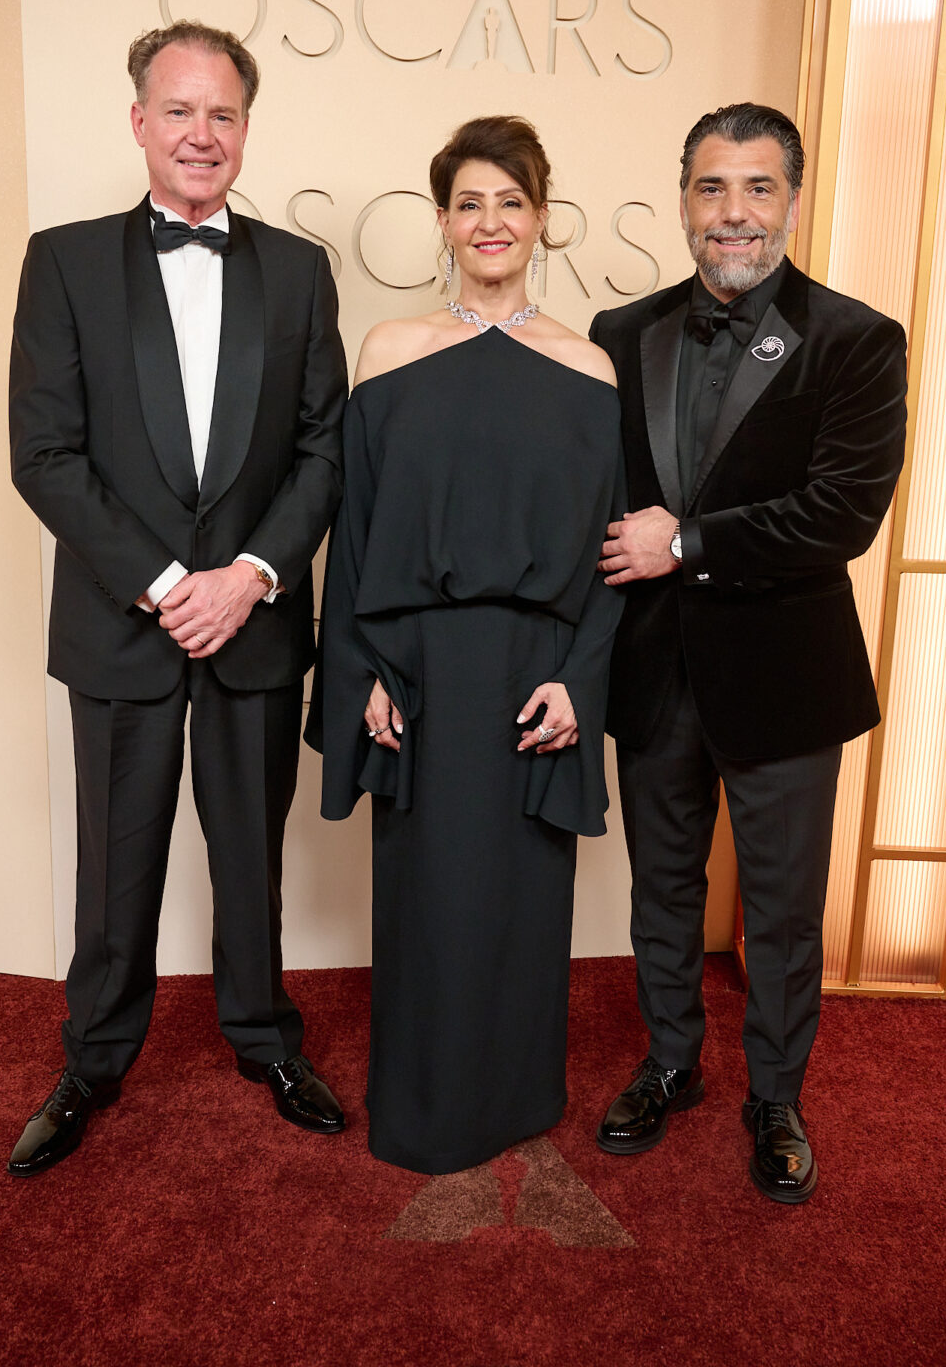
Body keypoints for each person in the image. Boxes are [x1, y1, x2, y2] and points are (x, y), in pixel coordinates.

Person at [7, 21, 348, 1176]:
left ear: (247, 129)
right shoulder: (62, 260)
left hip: (253, 622)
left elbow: (323, 451)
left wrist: (249, 578)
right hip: (121, 623)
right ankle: (93, 1062)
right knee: (116, 868)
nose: (203, 133)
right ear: (140, 120)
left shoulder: (301, 270)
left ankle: (264, 1040)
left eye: (225, 115)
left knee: (252, 856)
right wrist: (166, 587)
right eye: (182, 111)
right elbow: (44, 455)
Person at [590, 103, 907, 1203]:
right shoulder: (618, 333)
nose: (734, 214)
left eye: (757, 188)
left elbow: (841, 515)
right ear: (683, 199)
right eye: (712, 189)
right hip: (651, 668)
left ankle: (775, 1092)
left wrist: (682, 541)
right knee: (659, 888)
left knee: (777, 908)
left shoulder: (858, 339)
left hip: (782, 678)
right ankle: (670, 1060)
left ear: (791, 200)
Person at [308, 117, 624, 1174]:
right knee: (430, 902)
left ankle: (520, 1096)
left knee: (524, 903)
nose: (490, 223)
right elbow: (352, 540)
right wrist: (357, 676)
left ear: (541, 219)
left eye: (511, 202)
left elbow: (609, 555)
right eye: (469, 203)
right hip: (420, 680)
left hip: (535, 678)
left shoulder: (587, 368)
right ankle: (429, 1104)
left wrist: (581, 683)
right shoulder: (387, 353)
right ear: (443, 222)